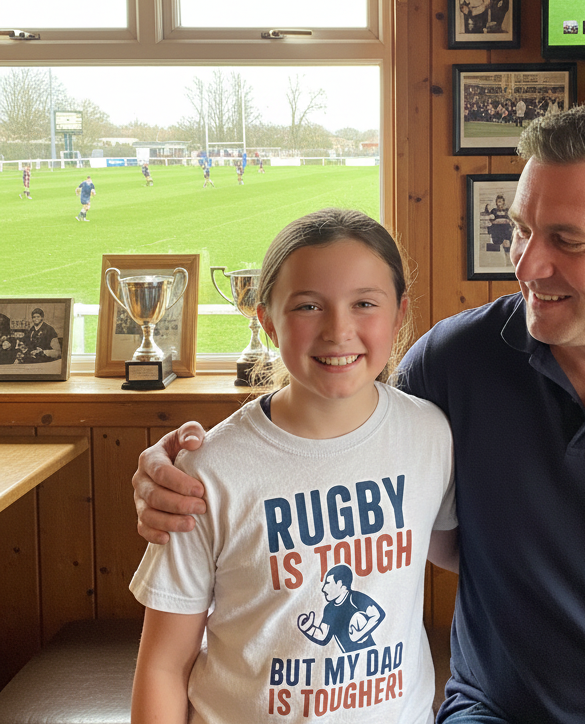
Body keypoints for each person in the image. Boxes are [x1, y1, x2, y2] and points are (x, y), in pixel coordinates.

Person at [133, 104, 585, 724]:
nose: (524, 265)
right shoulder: (452, 364)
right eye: (520, 228)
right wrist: (180, 469)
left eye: (566, 241)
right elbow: (326, 413)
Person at [129, 209, 457, 724]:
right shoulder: (208, 469)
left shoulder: (431, 435)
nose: (338, 330)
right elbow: (164, 667)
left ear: (398, 316)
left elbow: (461, 552)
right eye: (308, 306)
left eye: (364, 304)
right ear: (266, 320)